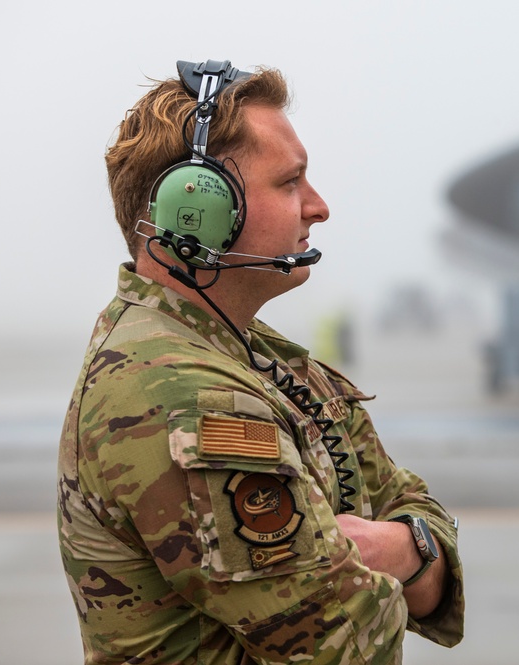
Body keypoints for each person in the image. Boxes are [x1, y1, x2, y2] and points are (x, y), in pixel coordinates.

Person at [57, 59, 464, 664]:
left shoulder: (260, 358)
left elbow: (419, 519)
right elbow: (346, 644)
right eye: (290, 182)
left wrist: (400, 549)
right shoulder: (177, 391)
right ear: (197, 213)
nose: (318, 207)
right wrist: (407, 553)